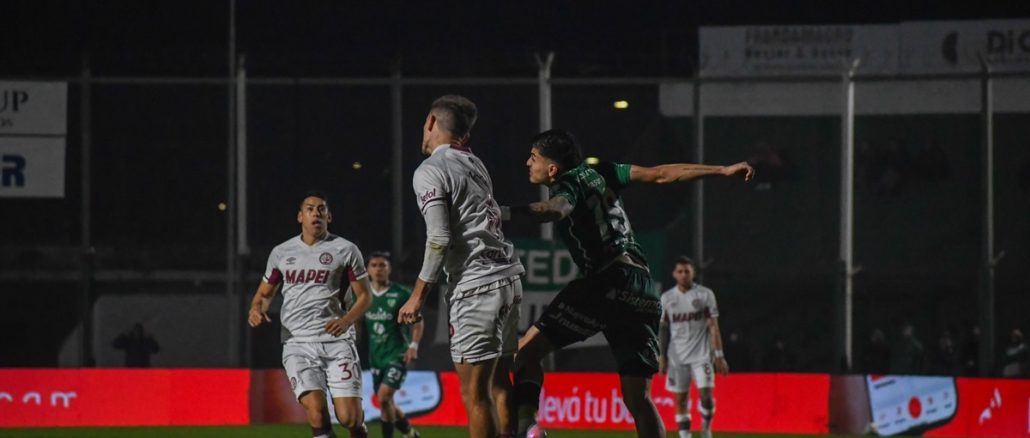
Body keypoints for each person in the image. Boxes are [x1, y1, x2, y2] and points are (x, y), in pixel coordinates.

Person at [505, 129, 753, 438]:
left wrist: (502, 213)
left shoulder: (568, 184)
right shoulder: (603, 171)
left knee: (523, 356)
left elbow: (557, 209)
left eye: (534, 157)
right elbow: (661, 174)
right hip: (642, 287)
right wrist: (721, 170)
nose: (528, 163)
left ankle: (529, 428)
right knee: (638, 398)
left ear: (553, 169)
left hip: (607, 280)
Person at [398, 95, 525, 438]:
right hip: (508, 278)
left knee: (475, 395)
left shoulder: (430, 170)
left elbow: (438, 238)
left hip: (477, 286)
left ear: (430, 123)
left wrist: (417, 296)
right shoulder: (475, 164)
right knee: (500, 385)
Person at [248, 192, 372, 438]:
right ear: (300, 216)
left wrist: (346, 321)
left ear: (329, 216)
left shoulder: (346, 250)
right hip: (297, 343)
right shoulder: (282, 252)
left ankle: (359, 430)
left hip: (337, 342)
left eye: (321, 209)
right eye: (310, 209)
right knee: (316, 411)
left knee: (350, 418)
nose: (316, 213)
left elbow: (366, 297)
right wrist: (256, 309)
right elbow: (263, 295)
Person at [658, 256, 729, 438]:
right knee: (680, 399)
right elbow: (663, 329)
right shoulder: (667, 298)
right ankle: (685, 436)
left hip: (702, 356)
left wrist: (719, 355)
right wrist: (662, 356)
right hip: (677, 358)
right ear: (674, 274)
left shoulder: (705, 295)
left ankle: (706, 427)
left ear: (693, 273)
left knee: (706, 396)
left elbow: (713, 326)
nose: (683, 275)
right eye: (680, 272)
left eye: (687, 271)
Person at [362, 252, 422, 438]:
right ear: (367, 270)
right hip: (376, 357)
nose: (378, 269)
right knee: (386, 402)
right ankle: (410, 434)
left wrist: (413, 345)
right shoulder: (363, 296)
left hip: (398, 354)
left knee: (384, 396)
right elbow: (356, 323)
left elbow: (418, 321)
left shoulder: (401, 293)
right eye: (374, 265)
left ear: (389, 269)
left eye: (382, 265)